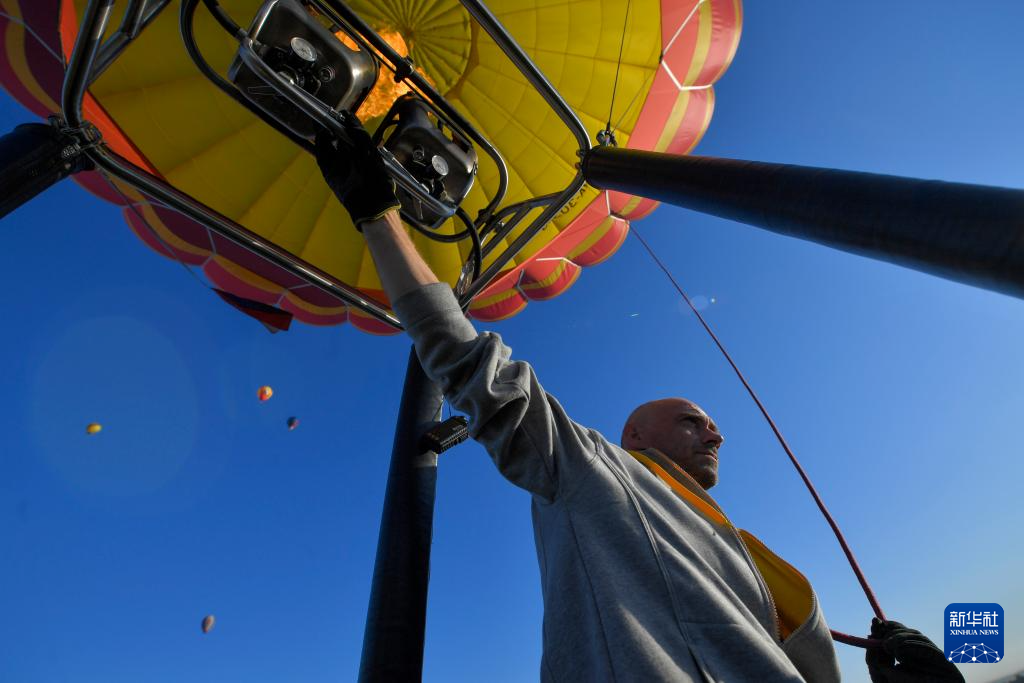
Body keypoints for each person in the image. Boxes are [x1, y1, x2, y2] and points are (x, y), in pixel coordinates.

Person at [315, 122, 963, 682]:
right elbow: (467, 360)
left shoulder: (756, 559)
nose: (716, 434)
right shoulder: (595, 473)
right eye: (692, 420)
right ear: (634, 435)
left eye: (711, 425)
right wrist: (378, 215)